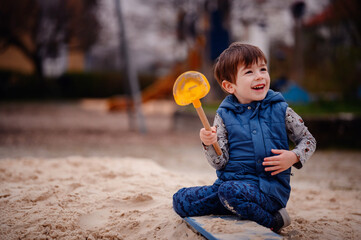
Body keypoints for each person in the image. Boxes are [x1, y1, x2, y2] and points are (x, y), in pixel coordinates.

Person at [172, 42, 316, 233]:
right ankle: (234, 205)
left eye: (263, 69)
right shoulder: (224, 115)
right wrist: (209, 143)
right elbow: (219, 162)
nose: (260, 76)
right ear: (229, 86)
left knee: (229, 193)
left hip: (268, 190)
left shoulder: (281, 110)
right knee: (180, 200)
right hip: (229, 185)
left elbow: (308, 140)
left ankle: (273, 220)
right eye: (249, 72)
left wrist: (294, 156)